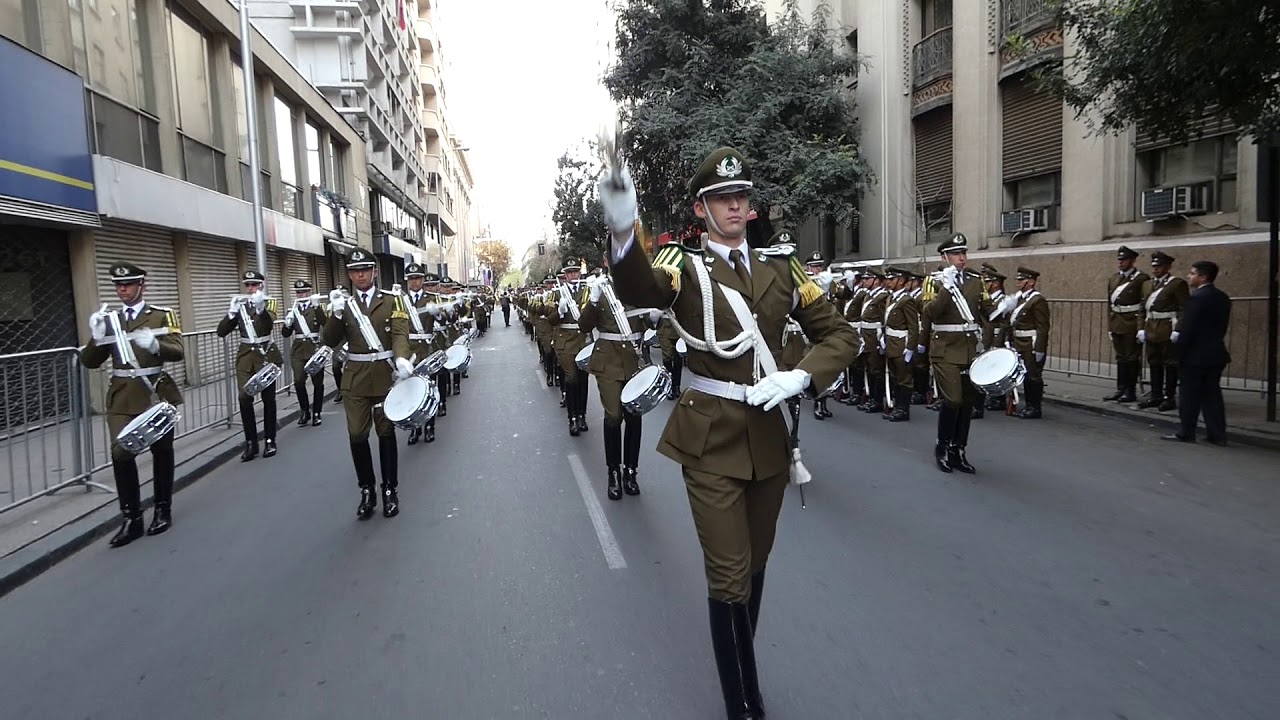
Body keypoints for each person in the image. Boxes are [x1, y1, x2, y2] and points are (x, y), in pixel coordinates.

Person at [599, 147, 858, 720]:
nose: (736, 206)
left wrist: (802, 376)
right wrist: (622, 227)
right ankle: (742, 701)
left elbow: (839, 335)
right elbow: (639, 286)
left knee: (756, 565)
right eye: (722, 198)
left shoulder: (781, 268)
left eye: (741, 195)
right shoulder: (682, 266)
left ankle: (746, 676)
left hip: (768, 434)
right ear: (701, 209)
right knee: (729, 573)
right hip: (709, 438)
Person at [80, 262, 184, 546]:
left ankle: (163, 508)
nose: (122, 289)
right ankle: (131, 518)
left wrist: (156, 346)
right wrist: (97, 337)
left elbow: (178, 351)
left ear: (142, 286)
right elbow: (90, 362)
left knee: (162, 452)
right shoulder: (110, 320)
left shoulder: (162, 315)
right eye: (118, 285)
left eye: (127, 284)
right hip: (122, 397)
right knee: (121, 454)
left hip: (154, 393)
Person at [321, 249, 413, 519]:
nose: (360, 275)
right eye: (354, 270)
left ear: (374, 271)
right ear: (349, 275)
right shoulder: (343, 305)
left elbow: (399, 334)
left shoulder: (393, 300)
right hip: (355, 379)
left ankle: (389, 490)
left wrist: (402, 359)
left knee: (385, 433)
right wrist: (336, 316)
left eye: (365, 269)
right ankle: (366, 490)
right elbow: (328, 339)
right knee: (357, 435)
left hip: (384, 376)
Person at [921, 234, 993, 473]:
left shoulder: (975, 279)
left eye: (963, 253)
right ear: (944, 256)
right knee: (953, 400)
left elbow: (987, 310)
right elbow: (930, 312)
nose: (961, 258)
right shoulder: (934, 281)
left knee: (967, 403)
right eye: (955, 254)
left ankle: (958, 449)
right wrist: (947, 288)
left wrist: (1006, 310)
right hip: (945, 349)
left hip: (970, 349)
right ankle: (941, 447)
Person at [580, 268, 650, 499]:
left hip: (634, 358)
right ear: (607, 261)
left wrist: (657, 315)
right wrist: (593, 299)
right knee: (613, 416)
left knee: (634, 416)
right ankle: (613, 472)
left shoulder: (636, 286)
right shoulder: (600, 289)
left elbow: (649, 320)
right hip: (608, 360)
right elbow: (584, 325)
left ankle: (631, 471)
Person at [1163, 260, 1230, 445]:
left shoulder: (1196, 299)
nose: (1189, 276)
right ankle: (1217, 435)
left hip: (1195, 356)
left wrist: (1179, 352)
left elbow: (1188, 330)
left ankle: (1186, 432)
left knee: (1189, 396)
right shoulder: (1222, 297)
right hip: (1215, 353)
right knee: (1212, 396)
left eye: (1192, 273)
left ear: (1203, 277)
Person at [217, 270, 281, 462]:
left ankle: (270, 439)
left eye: (254, 284)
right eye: (248, 285)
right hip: (245, 356)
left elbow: (268, 325)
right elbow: (221, 332)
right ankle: (251, 442)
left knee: (268, 399)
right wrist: (231, 314)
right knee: (244, 398)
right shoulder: (240, 305)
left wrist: (261, 309)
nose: (250, 288)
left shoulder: (269, 302)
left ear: (262, 285)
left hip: (265, 354)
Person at [1138, 251, 1190, 412]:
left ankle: (1169, 397)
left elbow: (1184, 308)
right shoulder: (1147, 285)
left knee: (1170, 364)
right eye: (1154, 266)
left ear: (1168, 267)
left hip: (1168, 327)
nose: (1155, 269)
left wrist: (1179, 329)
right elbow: (1142, 309)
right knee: (1154, 363)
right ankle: (1156, 395)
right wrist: (1140, 328)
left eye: (1159, 266)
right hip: (1151, 327)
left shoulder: (1177, 284)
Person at [546, 258, 591, 435]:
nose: (573, 275)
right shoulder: (557, 294)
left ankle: (582, 415)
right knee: (571, 379)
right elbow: (550, 320)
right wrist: (560, 311)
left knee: (583, 379)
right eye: (569, 273)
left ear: (579, 273)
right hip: (565, 342)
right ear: (565, 275)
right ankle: (572, 418)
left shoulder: (588, 291)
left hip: (583, 339)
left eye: (575, 272)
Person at [1105, 246, 1150, 403]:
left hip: (1132, 322)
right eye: (1120, 260)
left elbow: (1144, 302)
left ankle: (1130, 391)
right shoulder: (1113, 278)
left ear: (1132, 261)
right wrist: (1110, 326)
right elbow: (1109, 304)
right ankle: (1121, 388)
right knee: (1121, 358)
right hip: (1117, 321)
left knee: (1132, 357)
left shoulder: (1141, 279)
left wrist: (1141, 327)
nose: (1121, 263)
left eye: (1124, 260)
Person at [281, 279, 328, 428]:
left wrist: (317, 307)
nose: (301, 295)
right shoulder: (293, 310)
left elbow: (325, 323)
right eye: (299, 292)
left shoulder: (317, 307)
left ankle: (317, 413)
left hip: (314, 347)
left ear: (309, 292)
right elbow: (286, 334)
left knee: (317, 382)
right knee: (299, 381)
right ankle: (304, 411)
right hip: (298, 349)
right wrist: (287, 324)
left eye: (304, 292)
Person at [1008, 267, 1051, 419]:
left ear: (1031, 282)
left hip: (1031, 343)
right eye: (1018, 280)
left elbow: (1042, 327)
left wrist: (1039, 349)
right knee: (1025, 376)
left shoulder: (1038, 300)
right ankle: (1028, 405)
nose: (1018, 283)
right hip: (1020, 342)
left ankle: (1035, 407)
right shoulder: (1020, 299)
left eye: (1022, 280)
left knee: (1033, 376)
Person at [881, 267, 920, 422]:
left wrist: (910, 348)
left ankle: (903, 409)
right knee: (894, 377)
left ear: (902, 280)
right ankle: (896, 406)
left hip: (901, 344)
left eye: (892, 279)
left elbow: (913, 327)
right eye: (888, 279)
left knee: (904, 378)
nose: (888, 282)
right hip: (891, 343)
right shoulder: (892, 298)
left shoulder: (907, 300)